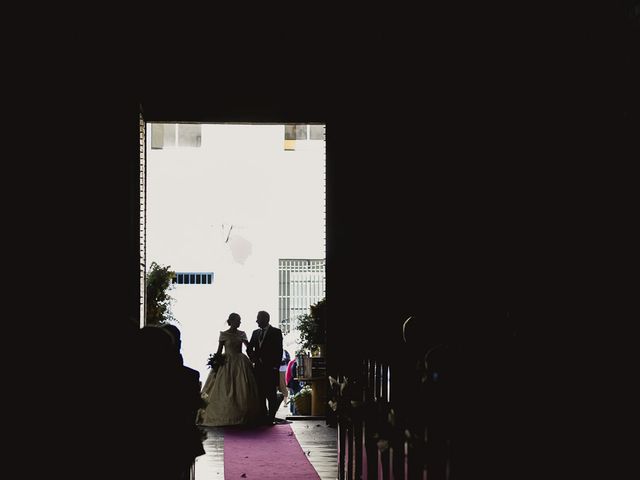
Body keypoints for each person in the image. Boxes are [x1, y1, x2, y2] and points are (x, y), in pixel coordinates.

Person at [198, 313, 262, 426]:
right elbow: (219, 351)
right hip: (226, 362)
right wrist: (215, 362)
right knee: (224, 387)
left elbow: (249, 348)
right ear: (232, 321)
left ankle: (245, 413)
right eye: (238, 320)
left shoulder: (242, 334)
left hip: (240, 362)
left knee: (243, 387)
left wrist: (255, 357)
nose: (240, 322)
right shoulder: (223, 335)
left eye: (240, 320)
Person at [247, 310, 283, 424]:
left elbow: (279, 350)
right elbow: (249, 348)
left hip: (270, 368)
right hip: (258, 368)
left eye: (258, 318)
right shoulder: (255, 333)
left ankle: (271, 418)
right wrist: (252, 357)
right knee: (260, 394)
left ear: (265, 319)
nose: (256, 321)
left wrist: (275, 366)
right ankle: (263, 416)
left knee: (271, 394)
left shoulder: (276, 332)